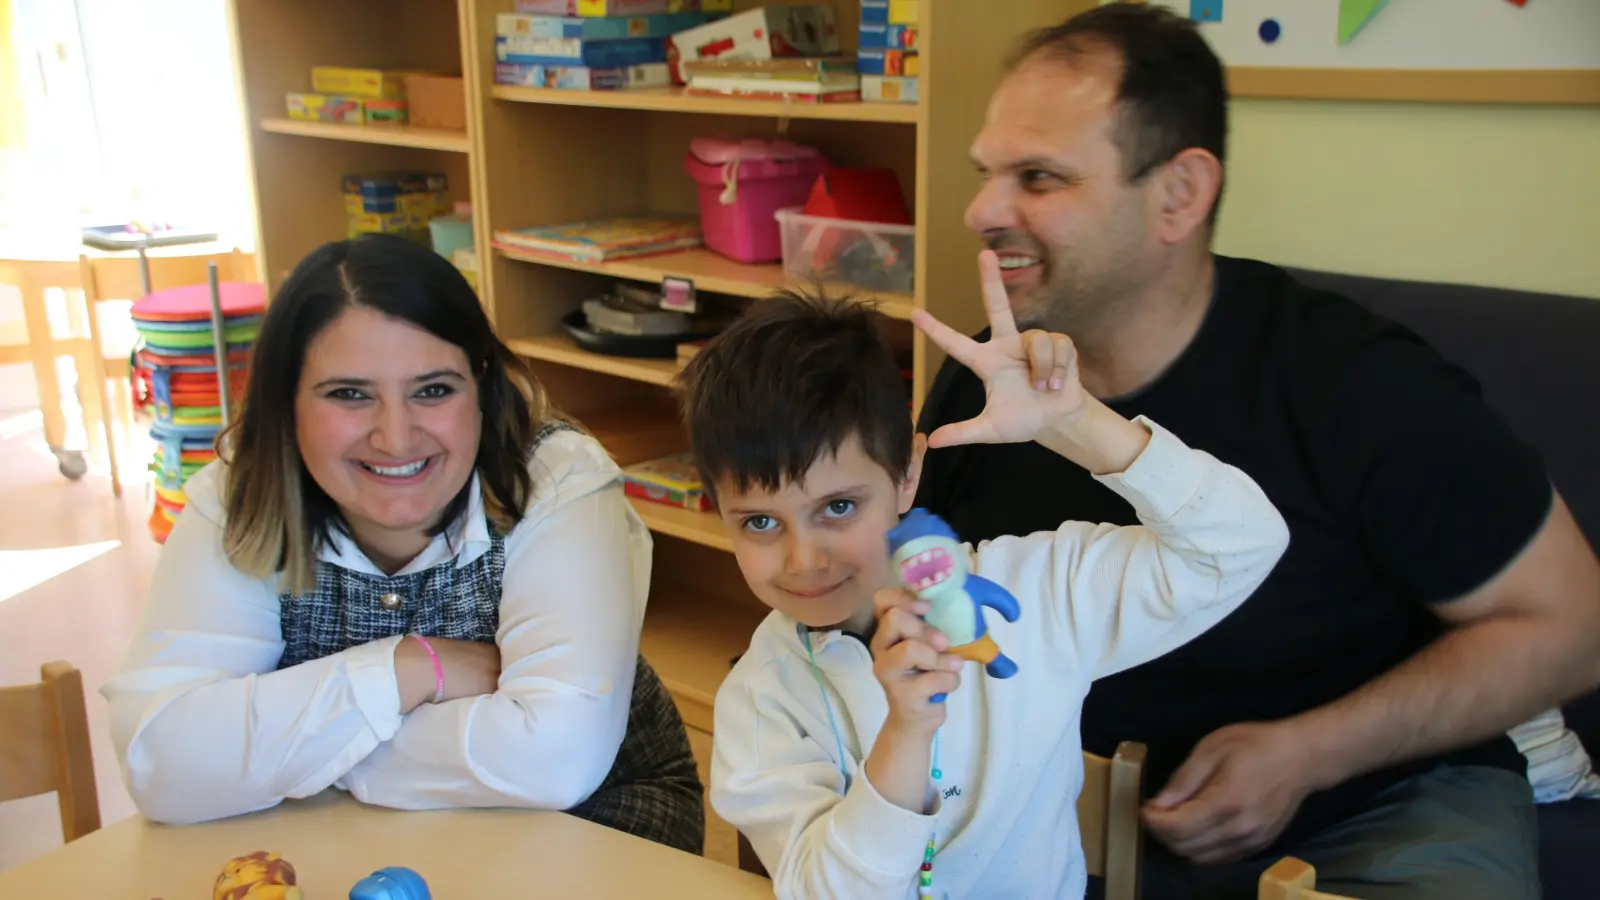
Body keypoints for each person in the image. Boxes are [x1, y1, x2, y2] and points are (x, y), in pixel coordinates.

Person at [913, 5, 1600, 899]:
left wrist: (1311, 752)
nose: (981, 210)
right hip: (1065, 809)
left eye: (1038, 177)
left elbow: (1572, 629)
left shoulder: (1356, 384)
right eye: (987, 174)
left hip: (1377, 807)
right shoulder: (983, 381)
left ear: (1179, 196)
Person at [676, 273, 1291, 899]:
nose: (803, 560)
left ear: (908, 474)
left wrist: (1076, 420)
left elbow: (1240, 545)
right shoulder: (761, 699)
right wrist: (905, 734)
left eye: (838, 507)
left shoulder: (1036, 590)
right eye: (759, 522)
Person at [100, 234, 704, 854]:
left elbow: (555, 760)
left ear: (482, 385)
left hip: (592, 821)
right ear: (288, 403)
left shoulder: (557, 480)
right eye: (350, 394)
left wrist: (293, 752)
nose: (395, 438)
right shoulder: (237, 495)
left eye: (434, 390)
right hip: (331, 833)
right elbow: (161, 762)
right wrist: (407, 670)